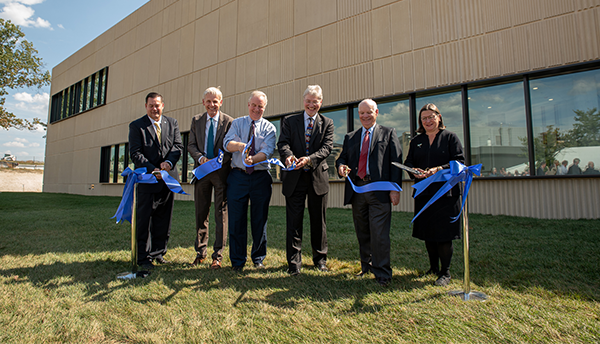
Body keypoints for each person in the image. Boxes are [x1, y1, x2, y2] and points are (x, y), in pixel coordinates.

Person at [335, 99, 402, 287]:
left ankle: (382, 273)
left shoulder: (388, 133)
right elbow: (341, 159)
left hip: (380, 192)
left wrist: (395, 189)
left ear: (377, 112)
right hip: (358, 191)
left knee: (379, 233)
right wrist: (341, 167)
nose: (365, 116)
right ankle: (366, 266)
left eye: (369, 112)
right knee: (362, 231)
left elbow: (396, 162)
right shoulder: (351, 137)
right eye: (362, 113)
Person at [404, 103, 464, 287]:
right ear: (420, 121)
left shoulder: (450, 138)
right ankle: (433, 268)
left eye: (431, 116)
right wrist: (413, 171)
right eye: (424, 118)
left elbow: (460, 162)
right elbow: (409, 162)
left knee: (444, 234)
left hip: (446, 194)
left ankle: (445, 272)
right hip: (424, 193)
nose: (428, 121)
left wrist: (440, 168)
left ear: (439, 117)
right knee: (428, 233)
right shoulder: (416, 141)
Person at [277, 85, 334, 275]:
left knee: (319, 221)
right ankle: (294, 263)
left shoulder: (328, 123)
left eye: (315, 101)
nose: (311, 105)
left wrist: (309, 159)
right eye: (308, 101)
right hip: (294, 178)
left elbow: (327, 148)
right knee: (294, 221)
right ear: (304, 101)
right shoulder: (289, 121)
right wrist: (289, 156)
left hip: (318, 177)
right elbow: (282, 143)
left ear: (321, 102)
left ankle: (320, 260)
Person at [223, 90, 276, 271]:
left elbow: (267, 151)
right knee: (236, 219)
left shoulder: (270, 128)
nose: (256, 109)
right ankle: (237, 260)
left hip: (260, 177)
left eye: (260, 106)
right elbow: (226, 144)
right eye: (253, 105)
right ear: (248, 105)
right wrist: (240, 146)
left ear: (264, 108)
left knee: (259, 219)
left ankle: (258, 257)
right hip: (238, 176)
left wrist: (253, 159)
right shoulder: (237, 123)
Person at [129, 92, 183, 270]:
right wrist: (154, 169)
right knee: (144, 219)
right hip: (148, 180)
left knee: (163, 218)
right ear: (146, 106)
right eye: (151, 105)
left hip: (167, 180)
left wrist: (168, 164)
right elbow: (135, 153)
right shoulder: (137, 126)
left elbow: (177, 146)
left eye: (157, 105)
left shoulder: (172, 123)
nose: (154, 108)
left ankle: (158, 253)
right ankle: (143, 256)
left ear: (163, 105)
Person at [187, 87, 233, 269]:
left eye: (215, 101)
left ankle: (218, 255)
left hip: (221, 174)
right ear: (203, 102)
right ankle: (200, 252)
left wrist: (220, 160)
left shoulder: (229, 122)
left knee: (221, 214)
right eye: (209, 101)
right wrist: (200, 158)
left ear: (221, 102)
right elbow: (190, 145)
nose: (212, 104)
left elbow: (230, 146)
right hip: (202, 172)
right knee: (201, 213)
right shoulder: (196, 120)